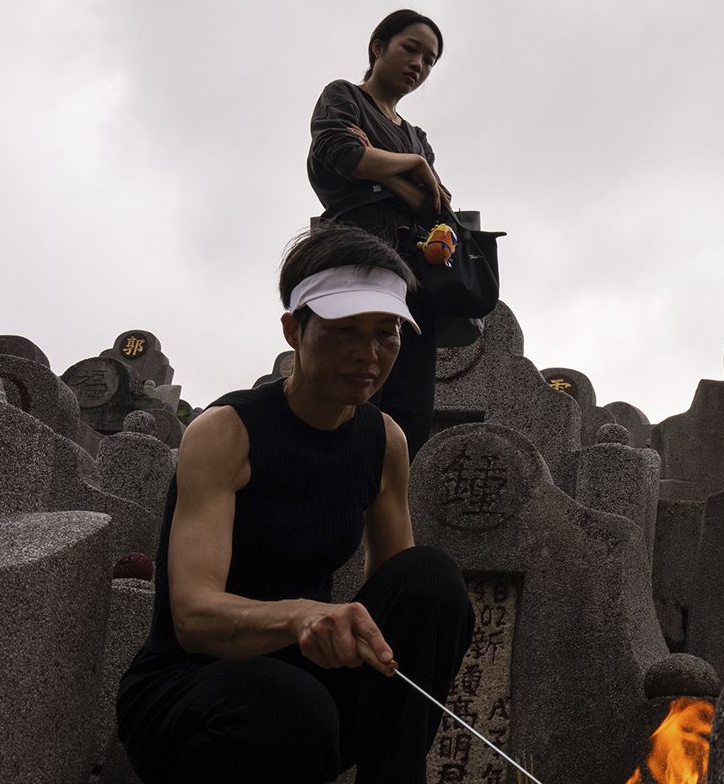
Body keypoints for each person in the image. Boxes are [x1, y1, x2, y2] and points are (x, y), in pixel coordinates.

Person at [116, 225, 476, 783]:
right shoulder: (227, 431)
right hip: (192, 687)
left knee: (430, 577)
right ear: (293, 329)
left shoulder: (385, 441)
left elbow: (401, 605)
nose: (368, 355)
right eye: (344, 330)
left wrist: (349, 632)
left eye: (386, 333)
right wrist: (303, 614)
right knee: (292, 705)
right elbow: (193, 618)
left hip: (308, 680)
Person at [307, 9, 456, 457]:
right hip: (356, 256)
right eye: (410, 49)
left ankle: (392, 494)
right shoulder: (344, 97)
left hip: (414, 271)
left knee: (409, 406)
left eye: (429, 60)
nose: (418, 65)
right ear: (378, 47)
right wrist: (411, 167)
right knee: (352, 383)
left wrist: (378, 164)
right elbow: (341, 155)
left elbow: (436, 205)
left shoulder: (416, 135)